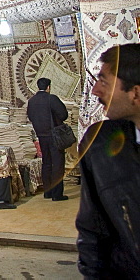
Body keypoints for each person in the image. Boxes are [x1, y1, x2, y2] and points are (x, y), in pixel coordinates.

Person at [76, 44, 140, 277]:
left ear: (135, 93)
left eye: (104, 81)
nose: (95, 91)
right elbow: (92, 229)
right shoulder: (100, 144)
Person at [27, 77, 70, 200]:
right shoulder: (52, 99)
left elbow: (30, 117)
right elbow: (64, 114)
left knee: (46, 163)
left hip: (41, 135)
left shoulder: (32, 101)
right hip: (54, 135)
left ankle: (48, 192)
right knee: (57, 163)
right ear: (48, 87)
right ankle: (57, 194)